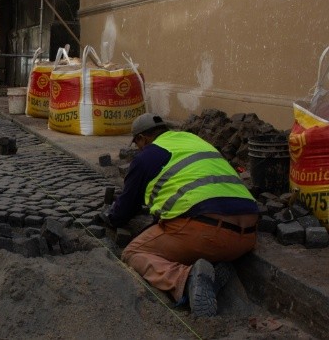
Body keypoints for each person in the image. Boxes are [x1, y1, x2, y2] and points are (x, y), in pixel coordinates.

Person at [101, 113, 258, 317]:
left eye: (138, 143)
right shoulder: (196, 141)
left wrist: (109, 216)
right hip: (247, 235)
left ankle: (187, 279)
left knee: (133, 253)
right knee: (191, 234)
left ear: (142, 138)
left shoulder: (147, 156)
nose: (139, 148)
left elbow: (123, 211)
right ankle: (213, 270)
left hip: (205, 233)